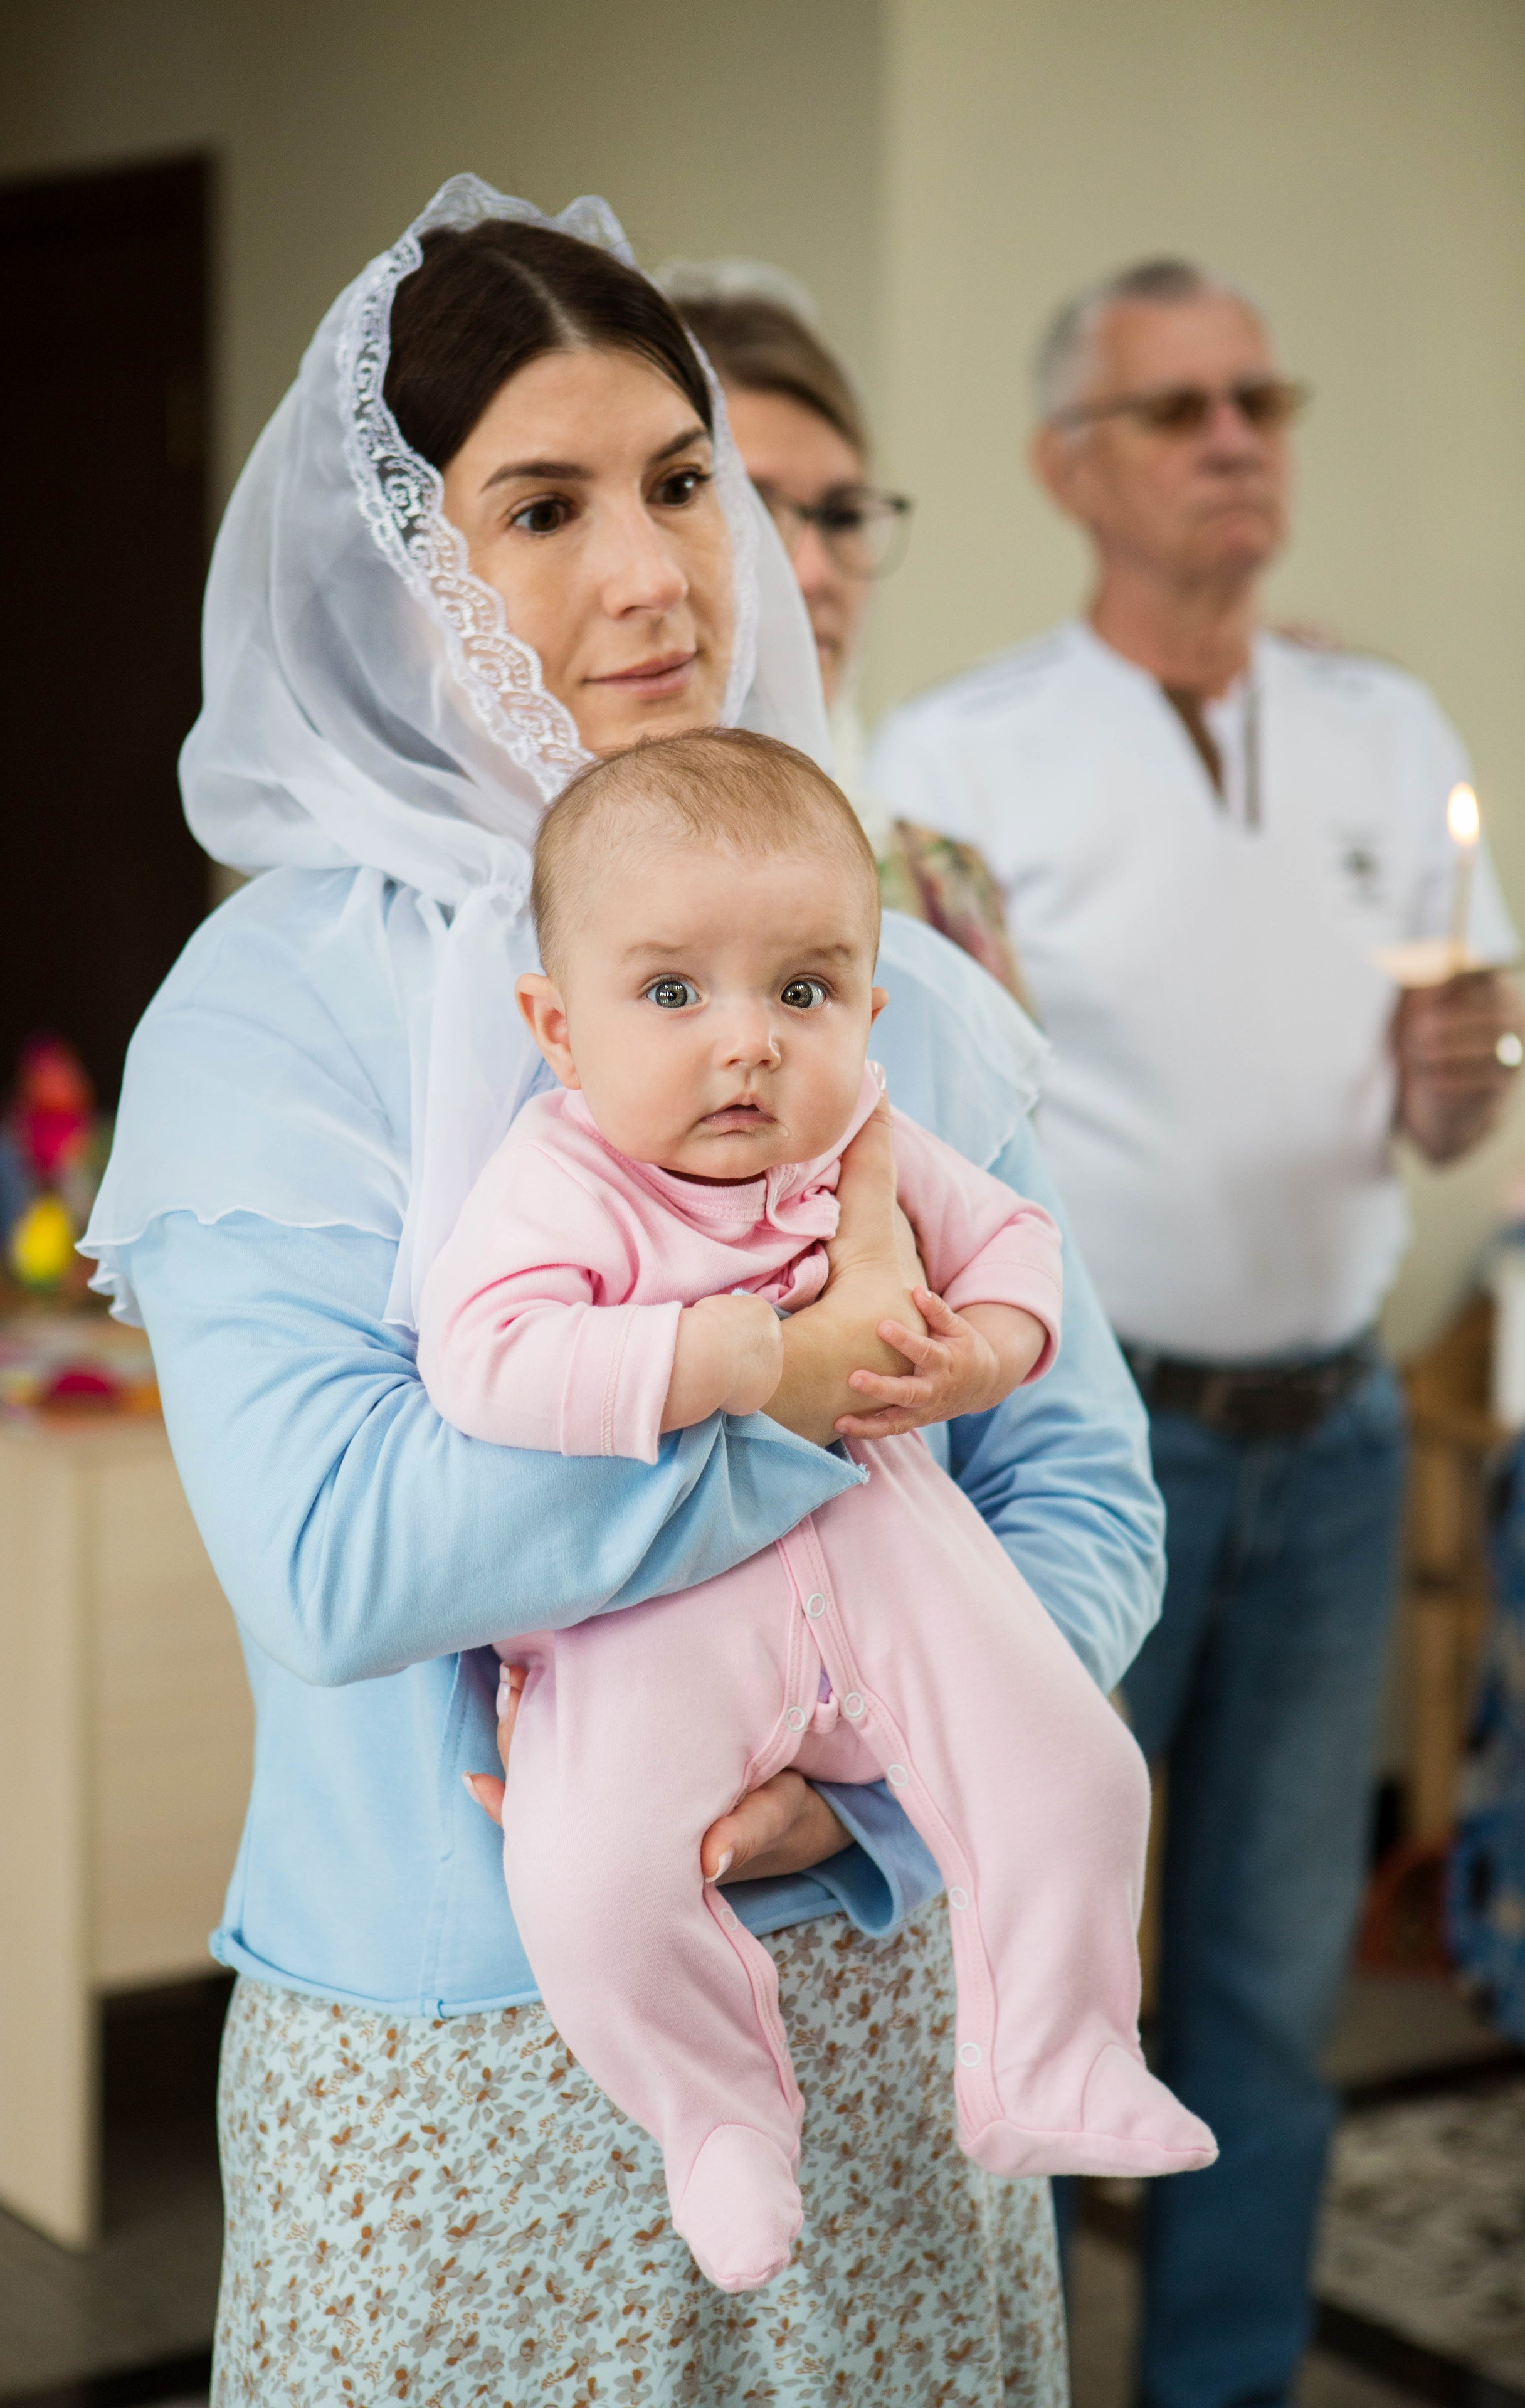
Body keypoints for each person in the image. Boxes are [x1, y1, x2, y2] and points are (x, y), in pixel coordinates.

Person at [80, 178, 1163, 2402]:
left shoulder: (895, 985)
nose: (656, 573)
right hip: (451, 2069)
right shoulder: (271, 1013)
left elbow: (1088, 1496)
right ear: (402, 578)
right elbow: (339, 1555)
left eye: (679, 481)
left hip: (879, 2034)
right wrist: (803, 1397)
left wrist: (861, 1792)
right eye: (542, 507)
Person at [868, 256, 1525, 2408]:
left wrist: (1459, 1091)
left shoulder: (1385, 726)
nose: (1242, 435)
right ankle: (1017, 2370)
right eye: (1182, 408)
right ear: (1072, 468)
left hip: (1334, 1443)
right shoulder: (959, 758)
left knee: (1258, 1988)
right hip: (1074, 1447)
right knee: (1041, 1967)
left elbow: (1444, 1099)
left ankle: (1225, 2385)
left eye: (1262, 394)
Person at [418, 726, 1213, 2290]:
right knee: (582, 1879)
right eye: (669, 993)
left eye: (801, 991)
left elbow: (1015, 1250)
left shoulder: (871, 1140)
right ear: (554, 1026)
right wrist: (721, 1356)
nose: (747, 1044)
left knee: (1081, 1769)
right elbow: (481, 1356)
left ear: (867, 1009)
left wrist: (974, 1349)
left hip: (885, 1541)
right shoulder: (558, 1175)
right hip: (658, 1610)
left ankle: (1051, 2056)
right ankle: (715, 2118)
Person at [667, 264, 1028, 1001]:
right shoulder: (539, 869)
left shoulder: (940, 881)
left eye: (842, 517)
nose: (811, 574)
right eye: (756, 519)